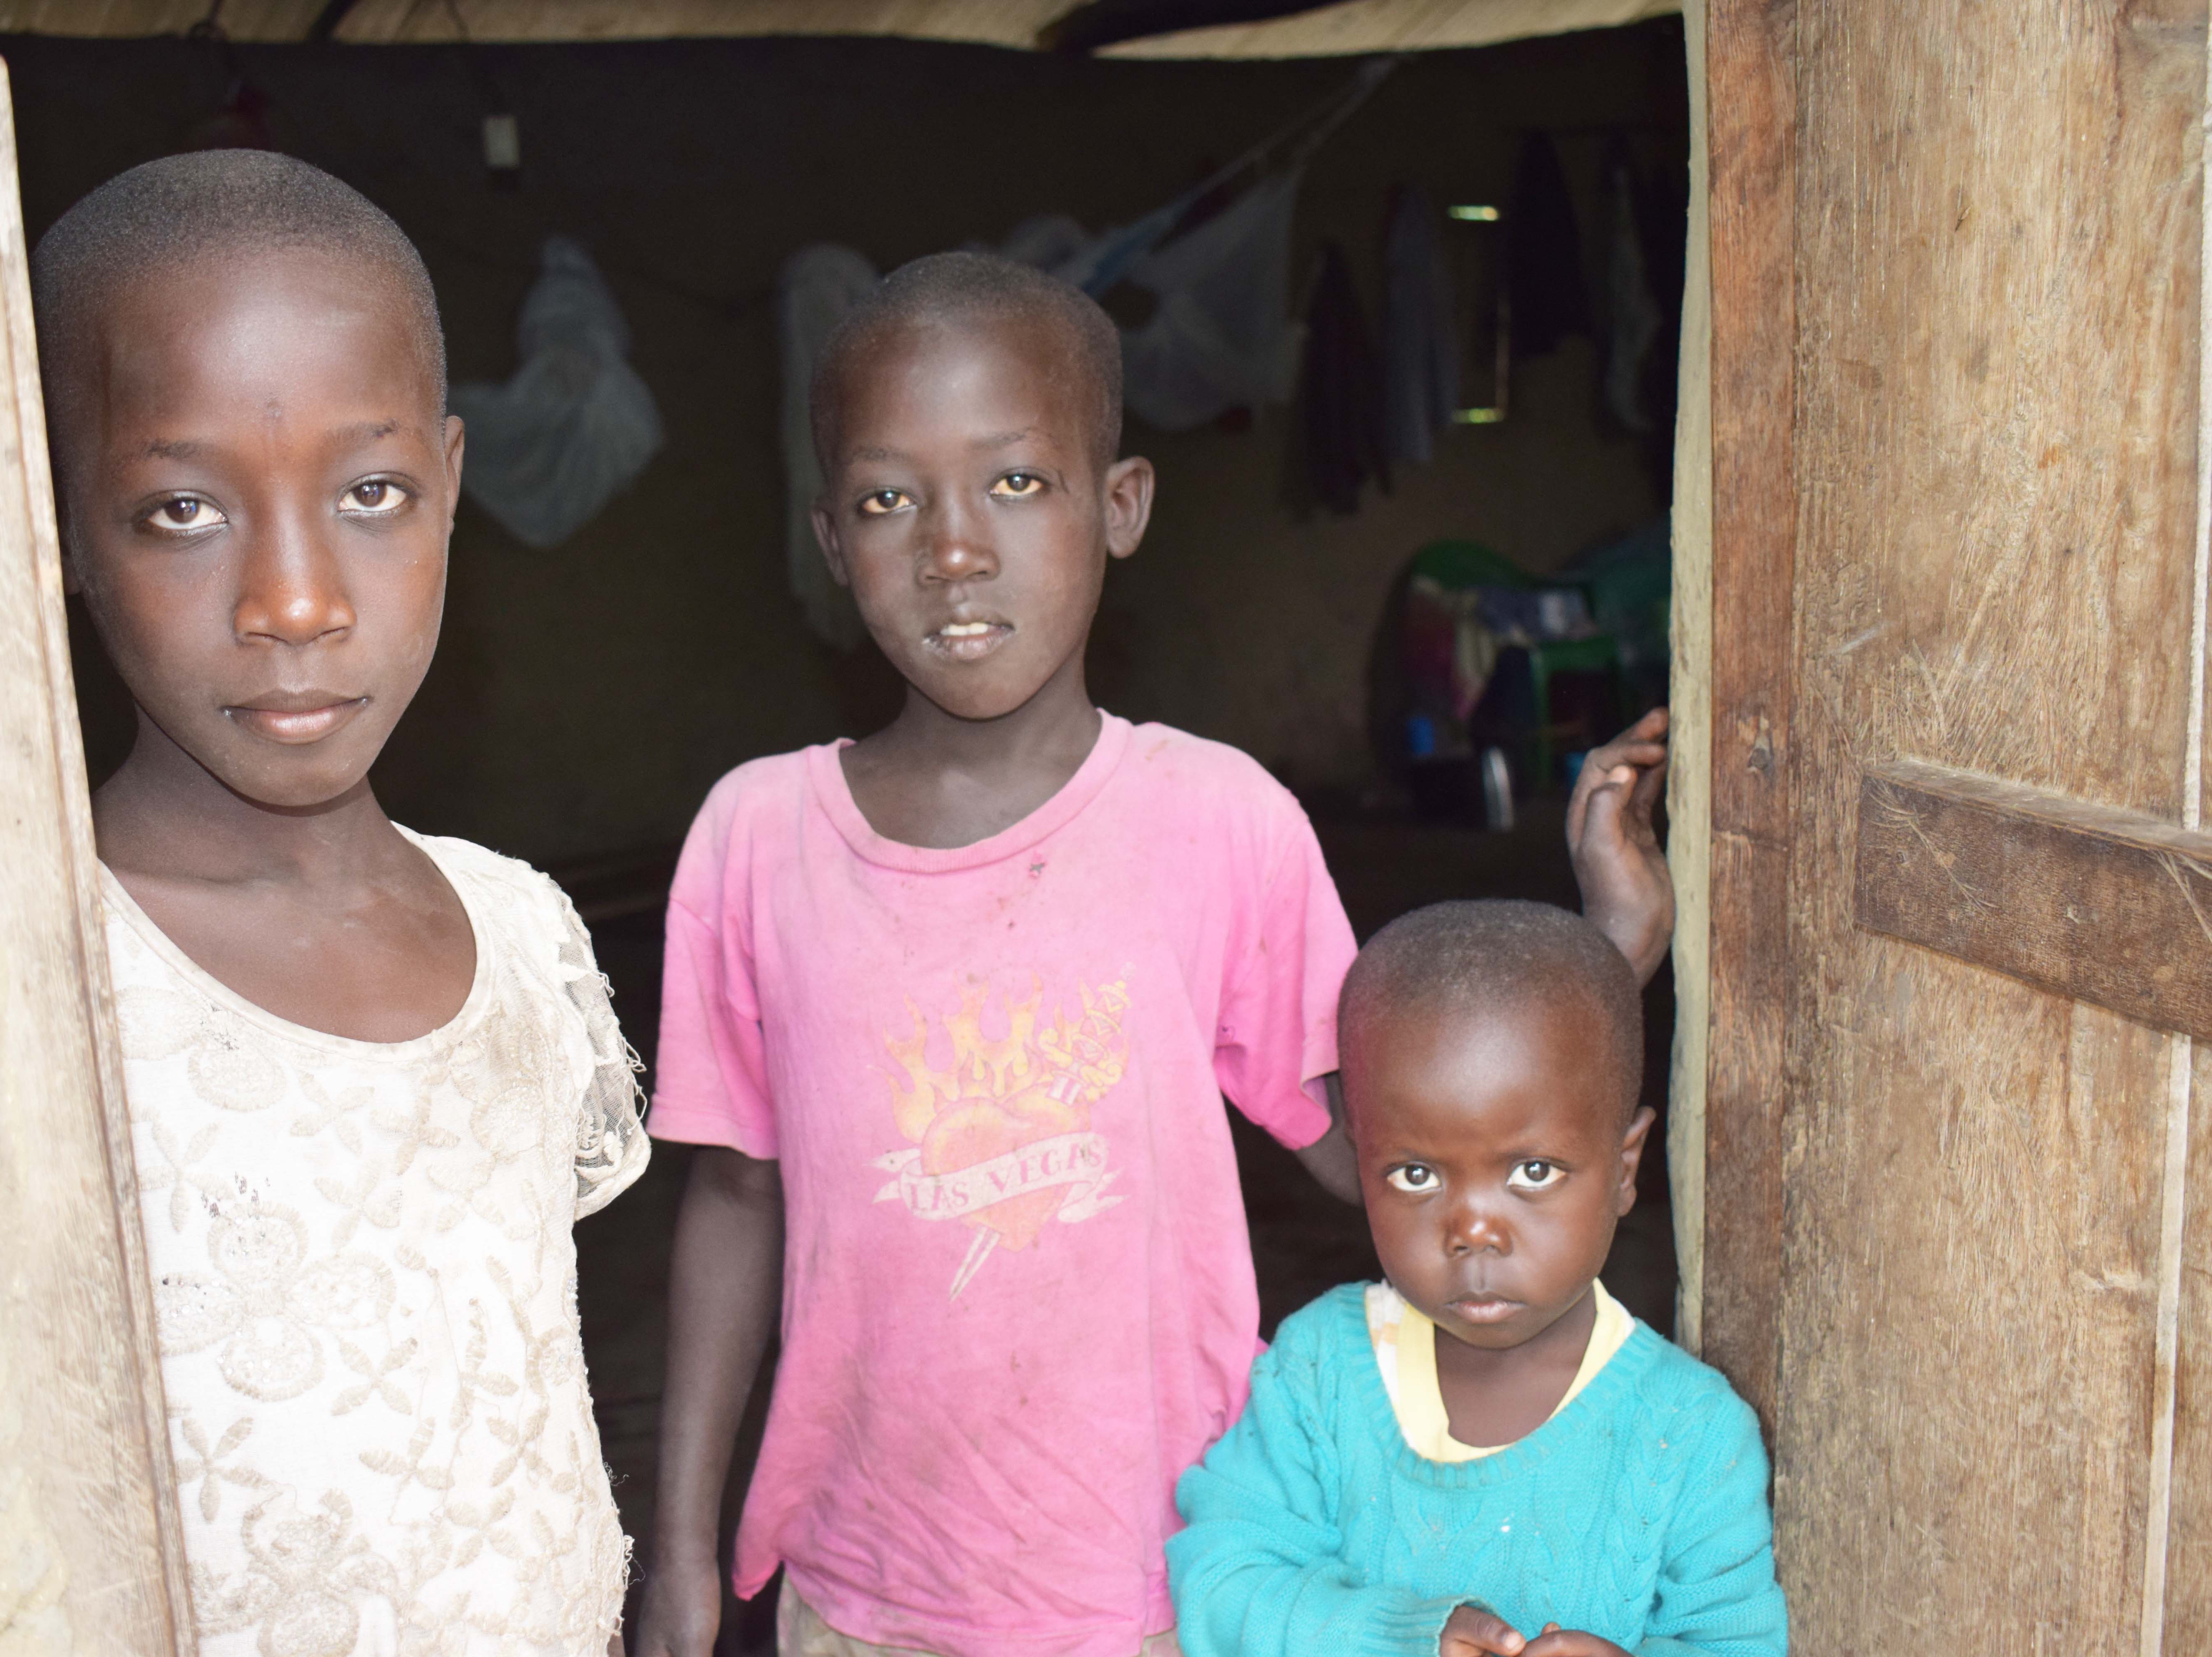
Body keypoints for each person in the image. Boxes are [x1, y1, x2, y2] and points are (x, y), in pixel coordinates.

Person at [637, 251, 1677, 1657]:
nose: (953, 548)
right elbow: (731, 1197)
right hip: (865, 1595)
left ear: (1118, 507)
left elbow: (1387, 1144)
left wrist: (1607, 954)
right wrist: (685, 1548)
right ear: (830, 539)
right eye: (892, 499)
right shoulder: (757, 842)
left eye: (1017, 483)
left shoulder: (1215, 824)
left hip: (1171, 1591)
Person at [31, 150, 648, 1657]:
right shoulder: (43, 979)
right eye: (181, 510)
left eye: (370, 493)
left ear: (450, 485)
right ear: (49, 524)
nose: (295, 603)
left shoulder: (521, 935)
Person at [1165, 902, 1784, 1657]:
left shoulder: (1692, 1437)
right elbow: (1222, 1581)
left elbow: (1736, 1642)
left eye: (1532, 1171)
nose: (1473, 1230)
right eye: (1416, 1174)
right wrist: (1398, 1639)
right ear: (1360, 1164)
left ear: (1624, 1171)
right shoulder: (1319, 1372)